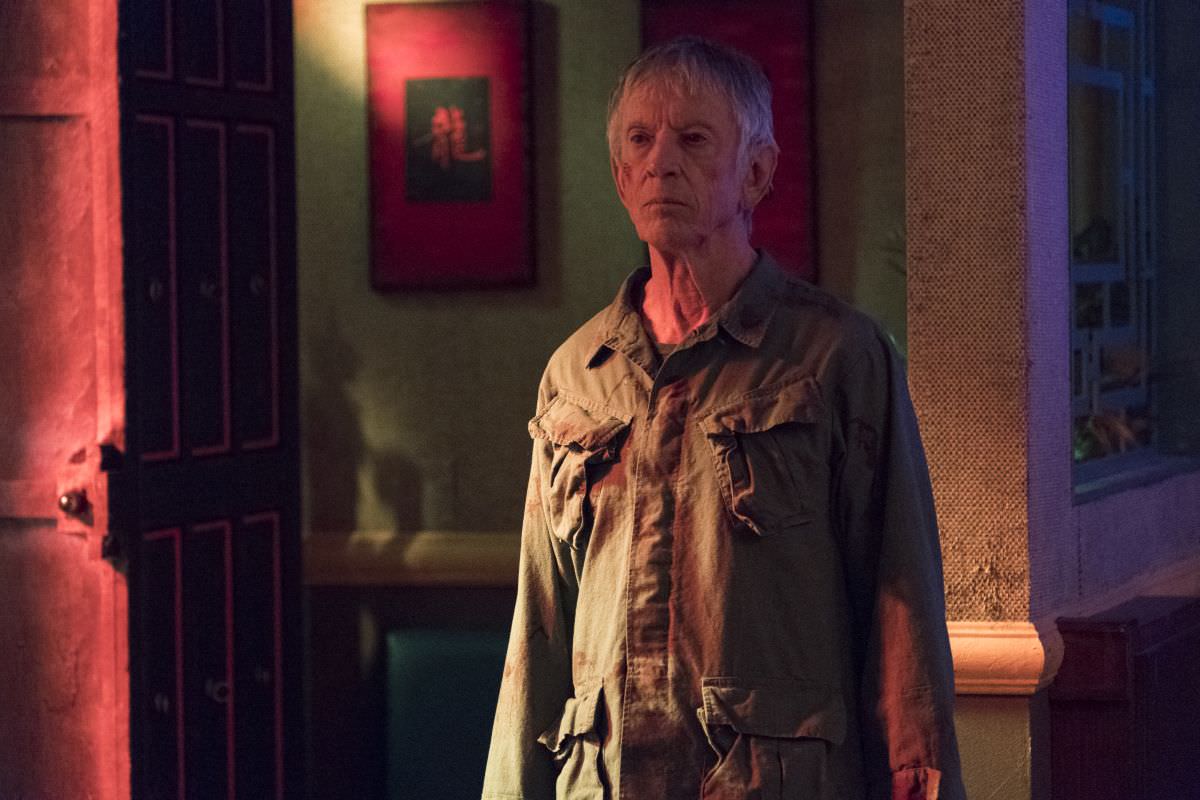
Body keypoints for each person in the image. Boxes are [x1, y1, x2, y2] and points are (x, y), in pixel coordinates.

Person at [482, 36, 965, 800]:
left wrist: (916, 775)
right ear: (619, 175)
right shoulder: (576, 376)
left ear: (758, 172)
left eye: (694, 139)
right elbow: (538, 621)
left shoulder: (835, 357)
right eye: (639, 141)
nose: (661, 163)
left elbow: (899, 598)